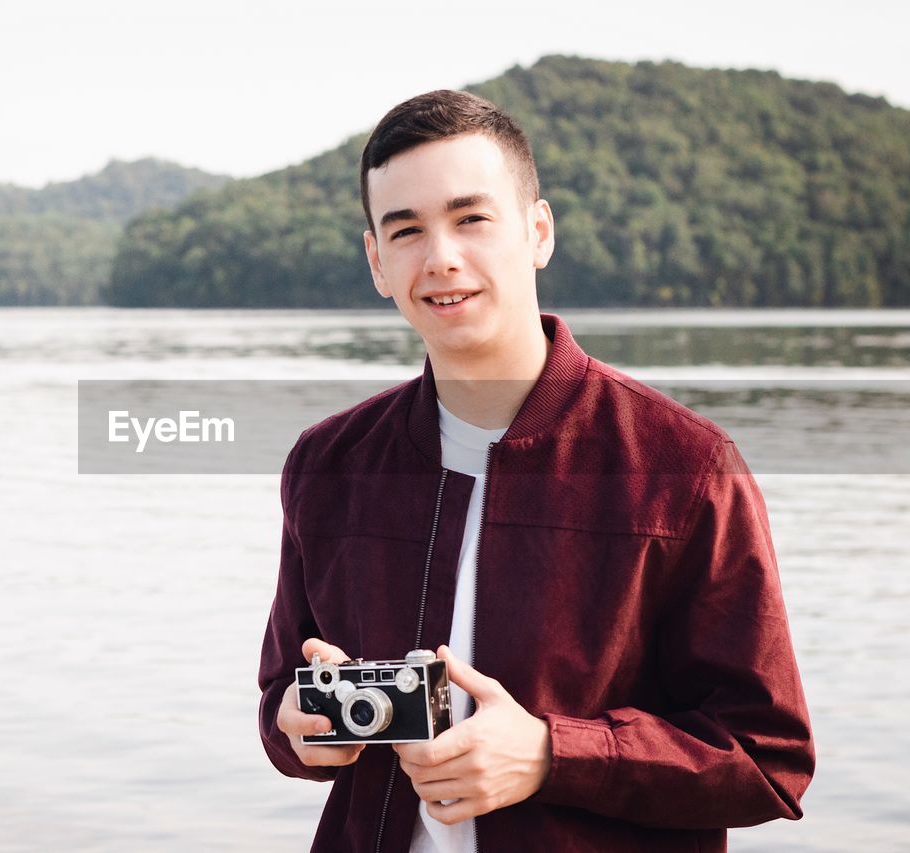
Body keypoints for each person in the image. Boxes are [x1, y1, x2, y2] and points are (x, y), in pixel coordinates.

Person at [256, 90, 814, 852]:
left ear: (538, 231)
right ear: (376, 262)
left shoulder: (685, 466)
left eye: (471, 218)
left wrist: (554, 753)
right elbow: (281, 702)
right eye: (407, 230)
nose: (441, 256)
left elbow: (767, 759)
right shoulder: (329, 466)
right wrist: (301, 729)